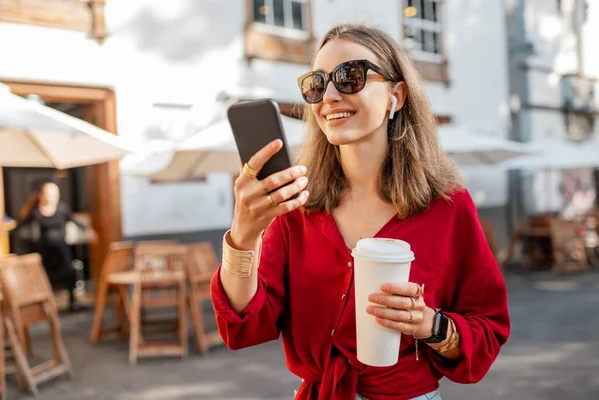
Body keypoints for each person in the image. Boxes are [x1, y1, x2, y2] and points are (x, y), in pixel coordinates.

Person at [210, 24, 510, 400]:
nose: (330, 95)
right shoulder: (296, 205)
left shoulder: (447, 205)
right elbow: (245, 325)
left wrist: (428, 324)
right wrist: (243, 235)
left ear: (395, 97)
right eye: (316, 84)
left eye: (349, 77)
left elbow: (487, 328)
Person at [18, 180, 96, 312]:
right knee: (44, 276)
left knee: (69, 272)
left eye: (55, 193)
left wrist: (88, 231)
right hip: (44, 248)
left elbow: (73, 220)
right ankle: (45, 304)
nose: (53, 196)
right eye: (50, 193)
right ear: (42, 195)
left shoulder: (61, 208)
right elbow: (21, 223)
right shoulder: (36, 211)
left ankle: (73, 301)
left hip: (61, 246)